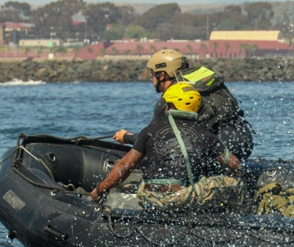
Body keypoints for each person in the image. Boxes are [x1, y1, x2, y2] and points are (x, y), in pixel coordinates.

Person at [93, 83, 244, 212]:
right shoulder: (205, 134)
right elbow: (235, 165)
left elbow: (125, 166)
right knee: (234, 184)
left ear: (170, 106)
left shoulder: (149, 130)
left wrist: (100, 190)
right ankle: (235, 218)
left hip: (150, 198)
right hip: (183, 199)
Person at [114, 48, 254, 159]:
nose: (151, 79)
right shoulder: (205, 82)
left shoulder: (172, 98)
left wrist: (126, 136)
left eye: (153, 74)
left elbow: (151, 139)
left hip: (219, 150)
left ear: (161, 75)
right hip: (244, 142)